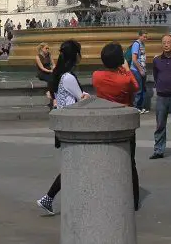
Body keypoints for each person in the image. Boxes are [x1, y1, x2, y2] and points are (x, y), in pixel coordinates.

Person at [36, 40, 86, 216]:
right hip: (72, 127)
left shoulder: (59, 74)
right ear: (76, 56)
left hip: (64, 126)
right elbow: (82, 98)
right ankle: (49, 198)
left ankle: (49, 198)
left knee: (73, 165)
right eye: (80, 51)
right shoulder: (69, 77)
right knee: (74, 166)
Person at [92, 42, 140, 210]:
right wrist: (126, 69)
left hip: (104, 121)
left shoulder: (96, 76)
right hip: (124, 121)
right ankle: (133, 200)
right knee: (129, 161)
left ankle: (107, 195)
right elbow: (135, 86)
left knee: (106, 160)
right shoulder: (125, 79)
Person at [130, 31, 149, 114]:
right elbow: (134, 59)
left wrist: (144, 68)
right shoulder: (136, 44)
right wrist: (140, 70)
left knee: (143, 89)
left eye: (146, 37)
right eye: (144, 37)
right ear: (140, 36)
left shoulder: (143, 44)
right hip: (136, 70)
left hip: (142, 69)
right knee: (138, 89)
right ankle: (136, 107)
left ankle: (141, 107)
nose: (145, 38)